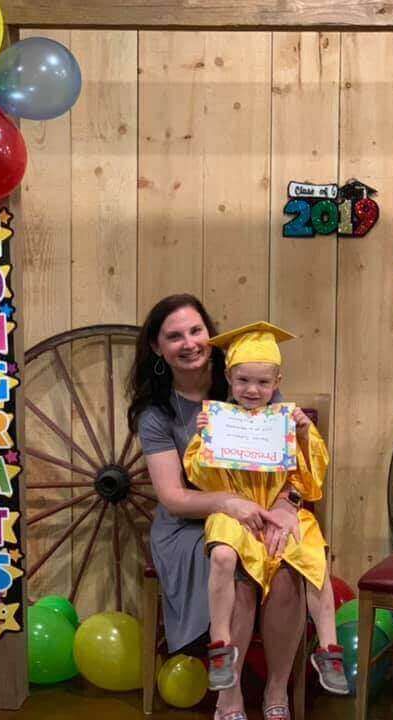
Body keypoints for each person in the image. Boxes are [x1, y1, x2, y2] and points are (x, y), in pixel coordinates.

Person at [128, 295, 306, 720]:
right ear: (157, 348)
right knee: (239, 566)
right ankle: (230, 697)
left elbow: (291, 466)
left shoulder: (246, 377)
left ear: (210, 333)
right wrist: (229, 503)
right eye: (174, 336)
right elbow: (173, 497)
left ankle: (276, 693)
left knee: (286, 566)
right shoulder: (156, 412)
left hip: (260, 510)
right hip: (189, 524)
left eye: (195, 330)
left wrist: (286, 504)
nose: (189, 343)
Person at [182, 321, 348, 697]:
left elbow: (310, 482)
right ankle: (220, 644)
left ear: (277, 381)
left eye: (262, 382)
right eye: (243, 382)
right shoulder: (220, 421)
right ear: (228, 377)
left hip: (281, 511)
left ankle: (328, 649)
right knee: (223, 554)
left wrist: (304, 435)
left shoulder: (288, 423)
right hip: (236, 511)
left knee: (312, 556)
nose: (252, 390)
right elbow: (203, 480)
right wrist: (203, 436)